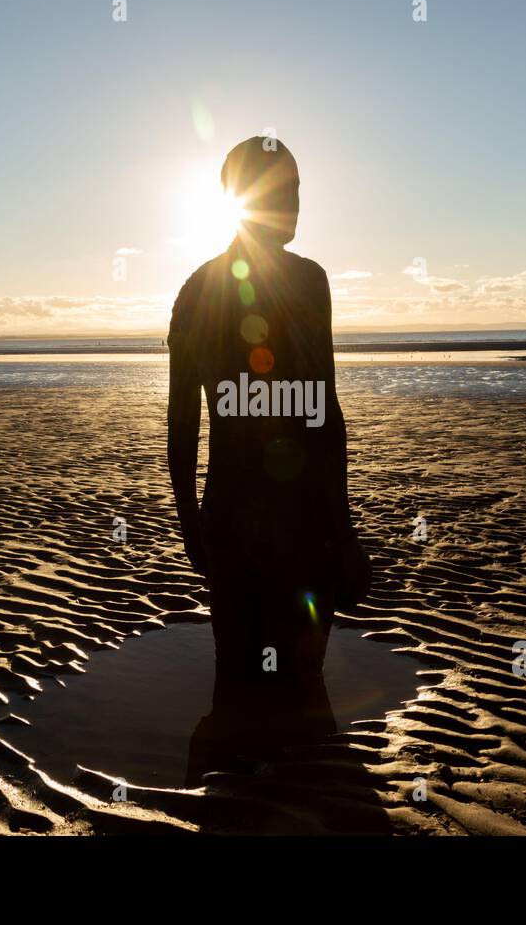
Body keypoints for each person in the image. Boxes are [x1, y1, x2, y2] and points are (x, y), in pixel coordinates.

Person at [167, 137, 369, 689]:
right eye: (281, 188)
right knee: (258, 685)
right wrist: (191, 527)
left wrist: (343, 530)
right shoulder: (207, 292)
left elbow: (325, 412)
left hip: (286, 528)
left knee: (276, 683)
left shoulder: (304, 281)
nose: (295, 200)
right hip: (249, 528)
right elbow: (182, 428)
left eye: (297, 187)